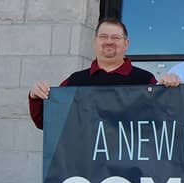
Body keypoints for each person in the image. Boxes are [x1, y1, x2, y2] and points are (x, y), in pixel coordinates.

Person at [28, 18, 157, 129]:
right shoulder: (74, 81)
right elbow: (47, 123)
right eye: (103, 36)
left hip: (129, 157)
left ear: (126, 43)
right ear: (95, 41)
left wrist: (171, 90)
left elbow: (164, 122)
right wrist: (36, 97)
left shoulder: (146, 80)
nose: (109, 41)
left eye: (116, 37)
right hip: (83, 157)